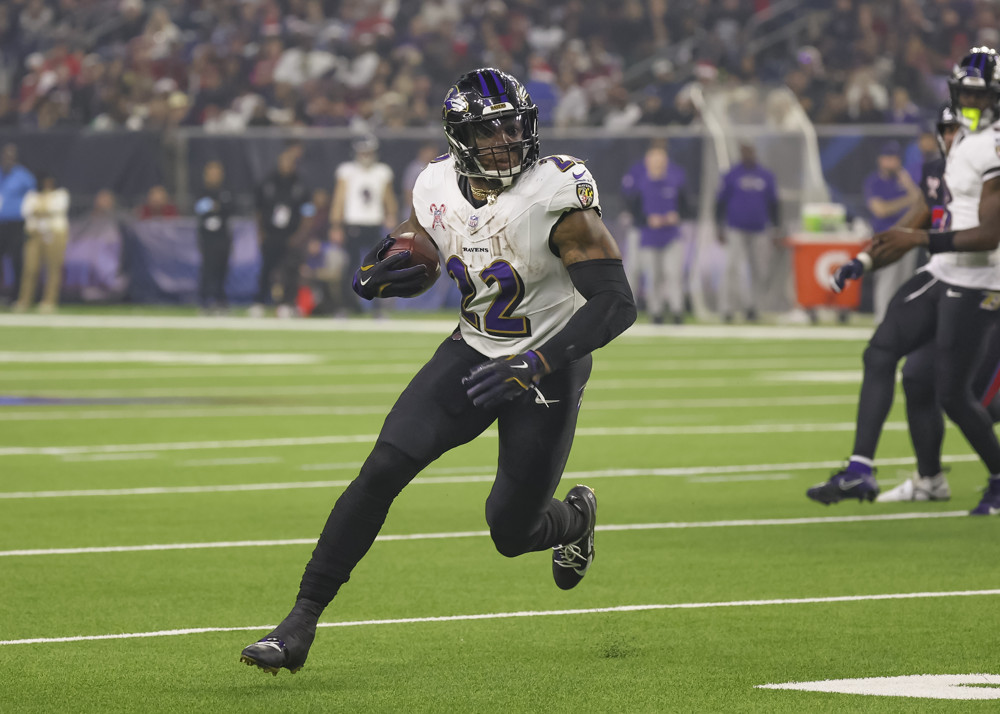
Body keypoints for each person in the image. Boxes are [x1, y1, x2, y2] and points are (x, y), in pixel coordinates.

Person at [239, 67, 636, 674]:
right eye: (488, 132)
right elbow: (418, 239)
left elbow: (616, 303)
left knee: (509, 529)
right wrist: (382, 267)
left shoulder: (556, 191)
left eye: (512, 128)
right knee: (382, 469)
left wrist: (536, 362)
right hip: (475, 350)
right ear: (460, 141)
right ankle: (298, 623)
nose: (505, 142)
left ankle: (575, 519)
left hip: (546, 365)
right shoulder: (434, 185)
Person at [809, 47, 1000, 516]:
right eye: (949, 124)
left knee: (956, 394)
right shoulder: (948, 163)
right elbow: (917, 219)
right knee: (884, 355)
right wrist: (863, 261)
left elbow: (987, 234)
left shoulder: (991, 149)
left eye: (978, 99)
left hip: (981, 282)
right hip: (945, 271)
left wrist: (917, 237)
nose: (954, 132)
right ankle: (862, 467)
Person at [621, 143, 691, 324]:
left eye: (661, 161)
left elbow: (687, 206)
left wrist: (676, 217)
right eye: (654, 161)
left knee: (673, 273)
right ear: (648, 162)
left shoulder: (674, 182)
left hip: (670, 235)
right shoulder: (640, 184)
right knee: (653, 275)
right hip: (648, 236)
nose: (658, 164)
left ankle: (677, 311)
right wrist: (648, 220)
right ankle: (656, 311)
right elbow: (633, 210)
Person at [329, 135, 397, 313]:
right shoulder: (347, 171)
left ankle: (377, 308)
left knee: (376, 268)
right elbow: (339, 199)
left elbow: (388, 198)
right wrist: (336, 225)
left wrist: (391, 215)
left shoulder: (382, 171)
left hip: (374, 224)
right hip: (353, 224)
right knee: (349, 267)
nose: (366, 155)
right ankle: (345, 306)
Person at [715, 143, 781, 323]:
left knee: (760, 269)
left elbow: (774, 204)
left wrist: (776, 228)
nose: (748, 155)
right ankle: (727, 308)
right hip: (735, 227)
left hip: (759, 228)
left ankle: (753, 307)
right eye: (744, 152)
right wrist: (718, 227)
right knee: (733, 268)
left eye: (750, 152)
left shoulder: (765, 175)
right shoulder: (732, 175)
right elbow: (719, 202)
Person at [251, 146, 316, 318]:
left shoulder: (301, 185)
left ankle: (287, 303)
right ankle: (260, 302)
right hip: (271, 233)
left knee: (290, 271)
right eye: (284, 161)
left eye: (290, 162)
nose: (287, 165)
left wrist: (300, 235)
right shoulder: (268, 183)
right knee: (266, 269)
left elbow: (308, 213)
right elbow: (258, 210)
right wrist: (260, 232)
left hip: (291, 236)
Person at [862, 141, 922, 323]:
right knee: (887, 280)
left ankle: (899, 319)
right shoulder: (874, 181)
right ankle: (881, 319)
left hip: (906, 236)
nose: (891, 162)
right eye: (887, 158)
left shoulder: (905, 181)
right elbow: (880, 209)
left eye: (894, 158)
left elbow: (921, 203)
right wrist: (908, 199)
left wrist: (910, 186)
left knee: (904, 281)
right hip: (884, 236)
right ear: (880, 160)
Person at [15, 173, 69, 313]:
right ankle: (25, 300)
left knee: (53, 268)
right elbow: (25, 210)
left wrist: (39, 209)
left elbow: (55, 208)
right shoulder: (32, 195)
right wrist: (42, 209)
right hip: (34, 235)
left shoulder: (60, 194)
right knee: (30, 268)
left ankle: (49, 301)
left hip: (54, 234)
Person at [193, 161, 234, 313]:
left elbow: (229, 208)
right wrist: (215, 206)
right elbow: (199, 207)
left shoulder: (226, 191)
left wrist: (217, 206)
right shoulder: (201, 191)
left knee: (222, 270)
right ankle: (204, 301)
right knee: (207, 270)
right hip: (207, 238)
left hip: (222, 238)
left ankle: (220, 301)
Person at [0, 144, 37, 303]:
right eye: (5, 155)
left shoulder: (23, 175)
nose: (7, 158)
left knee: (16, 259)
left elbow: (32, 198)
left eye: (11, 155)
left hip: (16, 222)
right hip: (1, 222)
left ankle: (16, 296)